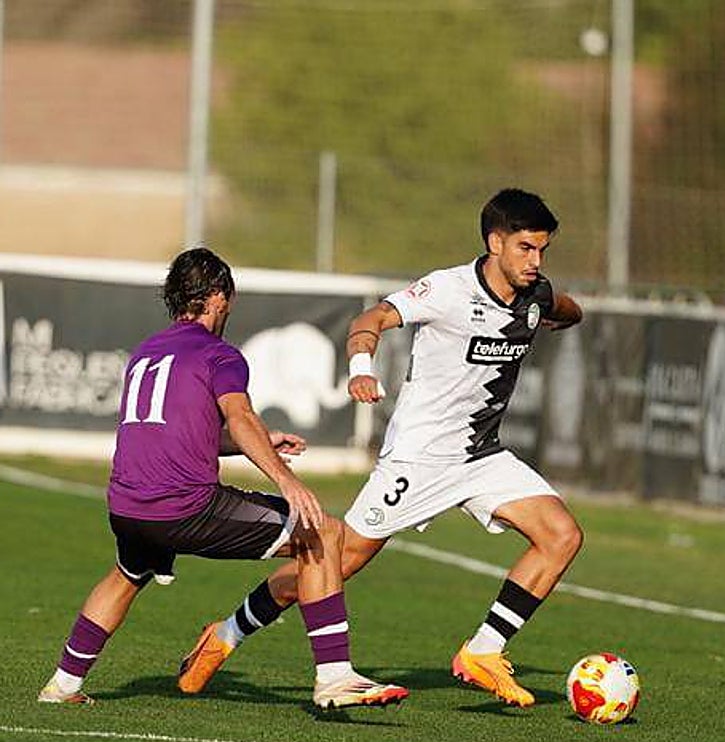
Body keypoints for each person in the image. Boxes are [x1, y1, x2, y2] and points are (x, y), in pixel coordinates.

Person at [177, 188, 584, 708]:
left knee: (562, 535)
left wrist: (556, 314)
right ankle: (226, 633)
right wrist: (362, 369)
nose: (536, 260)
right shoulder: (446, 289)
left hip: (481, 456)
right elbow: (368, 321)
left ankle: (483, 651)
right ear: (495, 242)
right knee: (332, 563)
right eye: (526, 248)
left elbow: (566, 308)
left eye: (543, 250)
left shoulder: (536, 293)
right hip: (417, 458)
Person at [38, 248, 407, 710]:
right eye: (228, 298)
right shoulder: (219, 354)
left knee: (127, 574)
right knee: (322, 534)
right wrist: (285, 481)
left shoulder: (146, 352)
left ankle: (63, 685)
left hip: (128, 507)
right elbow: (241, 414)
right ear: (215, 297)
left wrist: (255, 442)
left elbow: (186, 433)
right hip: (185, 507)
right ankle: (334, 677)